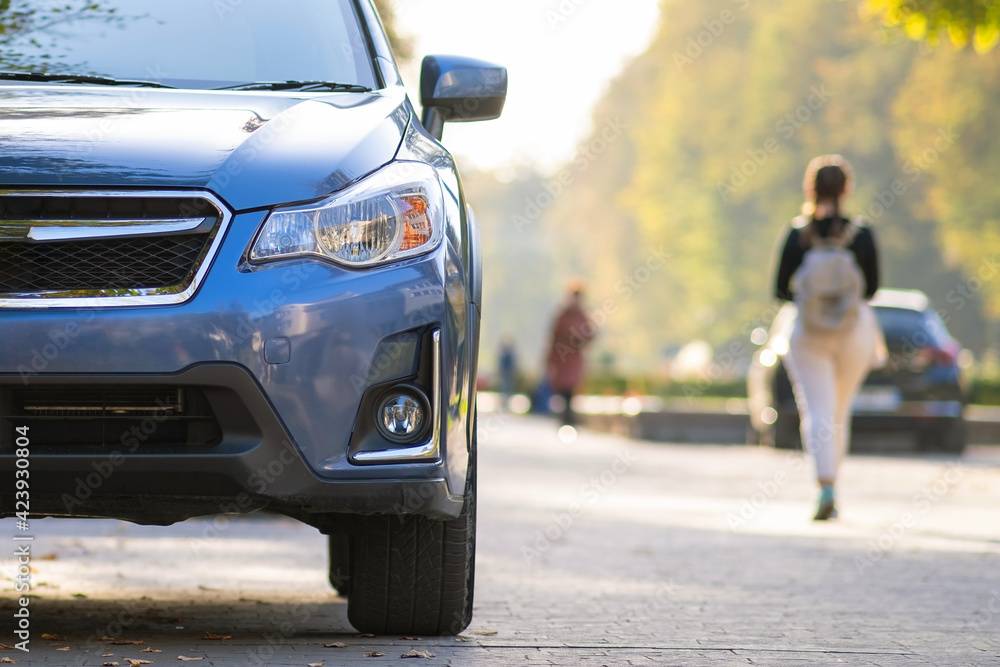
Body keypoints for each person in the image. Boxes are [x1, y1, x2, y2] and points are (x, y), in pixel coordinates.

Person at [773, 155, 885, 521]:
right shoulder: (861, 234)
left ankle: (825, 487)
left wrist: (812, 302)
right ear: (846, 189)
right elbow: (871, 290)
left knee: (817, 410)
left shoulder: (797, 233)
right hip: (854, 331)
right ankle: (834, 482)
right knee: (840, 411)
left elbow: (779, 289)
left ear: (811, 188)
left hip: (808, 332)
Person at [546, 280, 596, 430]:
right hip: (562, 359)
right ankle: (564, 418)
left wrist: (578, 337)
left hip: (574, 360)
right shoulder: (562, 315)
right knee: (561, 390)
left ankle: (569, 420)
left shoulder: (582, 316)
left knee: (571, 389)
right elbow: (553, 337)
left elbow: (590, 335)